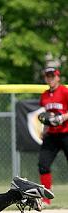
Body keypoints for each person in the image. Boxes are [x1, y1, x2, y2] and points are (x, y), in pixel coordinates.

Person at [38, 66, 68, 205]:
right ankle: (46, 199)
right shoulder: (44, 95)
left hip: (66, 133)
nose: (50, 78)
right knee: (43, 165)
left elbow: (61, 116)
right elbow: (47, 116)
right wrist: (44, 130)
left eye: (52, 76)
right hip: (52, 135)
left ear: (58, 77)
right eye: (47, 76)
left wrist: (63, 118)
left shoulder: (64, 91)